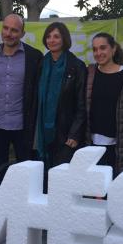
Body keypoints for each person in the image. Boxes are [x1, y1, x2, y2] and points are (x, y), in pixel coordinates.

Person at [0, 14, 43, 183]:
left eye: (14, 30)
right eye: (6, 28)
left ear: (22, 33)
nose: (8, 33)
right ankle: (0, 204)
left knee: (26, 171)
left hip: (23, 126)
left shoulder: (34, 57)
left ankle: (24, 206)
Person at [36, 22, 87, 175]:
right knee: (45, 176)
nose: (51, 40)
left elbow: (81, 103)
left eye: (56, 36)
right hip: (42, 132)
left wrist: (74, 133)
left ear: (64, 39)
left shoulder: (76, 66)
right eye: (49, 36)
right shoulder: (41, 64)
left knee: (62, 176)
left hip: (66, 132)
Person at [86, 32, 123, 178]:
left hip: (119, 144)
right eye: (95, 49)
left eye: (103, 48)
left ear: (113, 49)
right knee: (96, 189)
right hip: (92, 142)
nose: (98, 53)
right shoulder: (90, 73)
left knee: (117, 188)